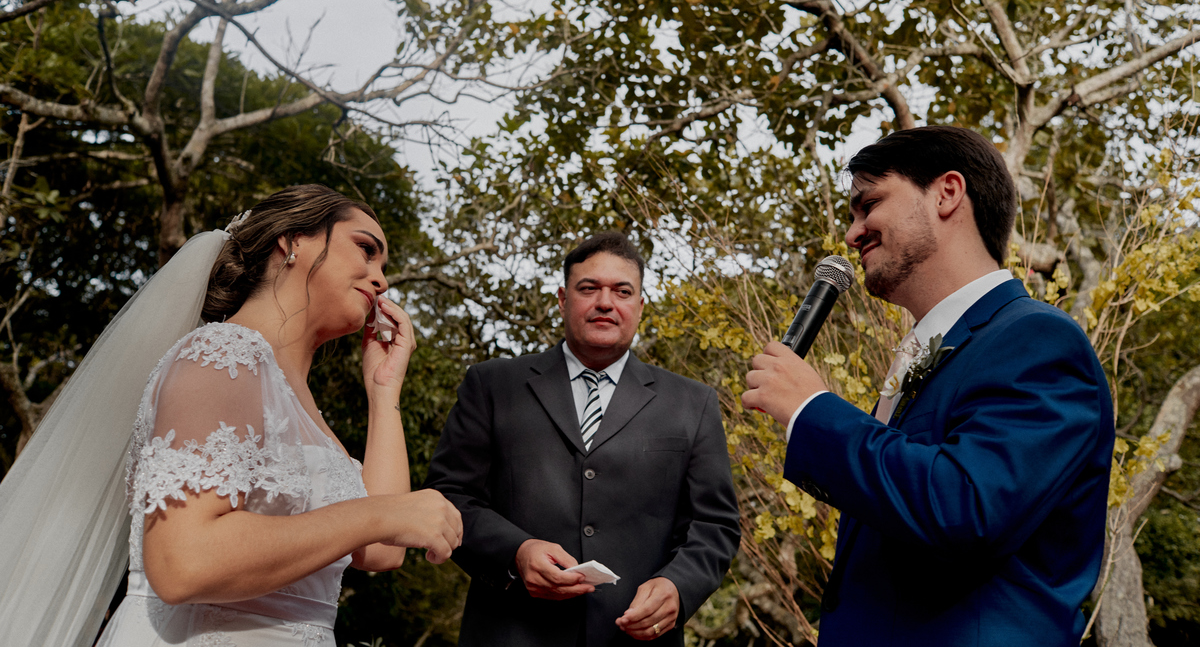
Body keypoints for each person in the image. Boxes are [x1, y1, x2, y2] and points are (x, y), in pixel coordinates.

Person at [0, 184, 461, 647]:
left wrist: (384, 393)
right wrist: (378, 514)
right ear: (293, 241)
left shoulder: (296, 401)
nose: (381, 279)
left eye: (383, 266)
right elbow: (184, 562)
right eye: (366, 249)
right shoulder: (222, 355)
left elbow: (383, 548)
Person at [742, 127, 1115, 646]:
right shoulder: (931, 351)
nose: (852, 233)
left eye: (868, 204)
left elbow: (966, 508)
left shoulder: (1037, 337)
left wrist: (812, 410)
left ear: (947, 193)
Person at [425, 231, 740, 646]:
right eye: (588, 288)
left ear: (640, 306)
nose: (605, 302)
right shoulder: (492, 385)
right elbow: (449, 496)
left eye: (622, 291)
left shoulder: (692, 402)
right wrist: (515, 552)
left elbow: (715, 523)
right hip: (511, 632)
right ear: (562, 299)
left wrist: (678, 588)